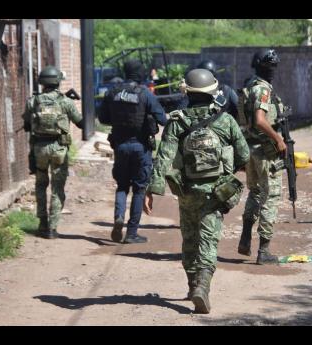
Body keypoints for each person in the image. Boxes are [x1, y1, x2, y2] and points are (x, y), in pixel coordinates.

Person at [144, 68, 249, 313]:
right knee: (208, 240)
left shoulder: (176, 121)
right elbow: (244, 154)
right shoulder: (225, 120)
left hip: (187, 191)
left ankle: (192, 285)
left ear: (187, 92)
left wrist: (152, 190)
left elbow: (163, 158)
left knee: (190, 239)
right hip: (216, 192)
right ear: (213, 91)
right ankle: (203, 286)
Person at [98, 59, 167, 243]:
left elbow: (103, 118)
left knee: (122, 186)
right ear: (140, 73)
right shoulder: (145, 94)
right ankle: (131, 233)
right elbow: (162, 119)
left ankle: (118, 217)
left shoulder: (112, 92)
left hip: (120, 145)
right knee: (139, 189)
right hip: (140, 147)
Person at [237, 48, 288, 265]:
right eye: (270, 67)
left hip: (250, 148)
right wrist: (278, 138)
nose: (273, 71)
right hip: (265, 150)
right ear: (262, 67)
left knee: (256, 192)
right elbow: (259, 120)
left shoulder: (248, 86)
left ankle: (246, 238)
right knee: (271, 196)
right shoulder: (262, 90)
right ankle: (264, 250)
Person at [23, 66, 83, 239]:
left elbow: (27, 125)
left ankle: (42, 224)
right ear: (57, 81)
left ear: (42, 82)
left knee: (41, 185)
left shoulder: (33, 101)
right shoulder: (65, 102)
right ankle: (53, 228)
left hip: (39, 149)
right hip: (59, 149)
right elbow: (81, 123)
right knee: (57, 188)